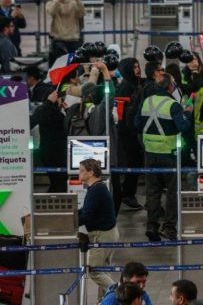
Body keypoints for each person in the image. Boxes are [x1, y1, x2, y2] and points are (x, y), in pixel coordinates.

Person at [135, 73, 193, 241]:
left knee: (152, 191)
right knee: (172, 192)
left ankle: (152, 225)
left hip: (150, 153)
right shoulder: (173, 105)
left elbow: (137, 124)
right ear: (170, 87)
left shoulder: (146, 102)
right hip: (169, 155)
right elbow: (183, 126)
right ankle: (169, 227)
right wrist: (187, 113)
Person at [77, 158, 118, 300]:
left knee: (94, 271)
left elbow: (86, 216)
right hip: (110, 233)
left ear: (91, 172)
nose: (79, 173)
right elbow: (85, 210)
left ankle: (120, 293)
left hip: (102, 235)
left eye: (82, 170)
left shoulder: (96, 190)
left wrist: (68, 222)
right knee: (104, 272)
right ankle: (104, 302)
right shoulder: (97, 188)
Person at [114, 57, 145, 213]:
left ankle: (128, 193)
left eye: (138, 66)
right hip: (127, 131)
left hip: (131, 130)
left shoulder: (135, 84)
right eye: (134, 67)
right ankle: (127, 194)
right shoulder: (127, 86)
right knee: (134, 161)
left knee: (135, 161)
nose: (138, 69)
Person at [30, 90, 67, 192]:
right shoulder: (56, 115)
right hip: (58, 155)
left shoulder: (44, 112)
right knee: (59, 183)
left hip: (46, 153)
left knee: (56, 182)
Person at [46, 0, 85, 66]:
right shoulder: (51, 3)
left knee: (74, 66)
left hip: (73, 39)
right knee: (59, 67)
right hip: (59, 40)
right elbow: (51, 11)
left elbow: (82, 13)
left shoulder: (73, 3)